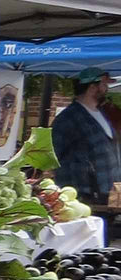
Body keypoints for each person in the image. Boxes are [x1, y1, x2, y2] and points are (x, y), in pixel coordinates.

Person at [51, 68, 121, 203]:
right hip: (84, 195)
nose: (106, 89)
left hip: (109, 193)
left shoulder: (101, 113)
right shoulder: (68, 118)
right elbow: (53, 156)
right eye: (104, 84)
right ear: (92, 87)